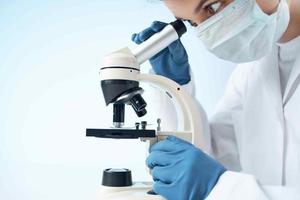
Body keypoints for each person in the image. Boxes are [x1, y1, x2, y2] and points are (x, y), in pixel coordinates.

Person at [131, 0, 300, 199]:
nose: (210, 32)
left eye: (212, 6)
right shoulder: (251, 72)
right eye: (193, 23)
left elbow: (216, 183)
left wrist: (221, 189)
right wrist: (175, 87)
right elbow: (213, 157)